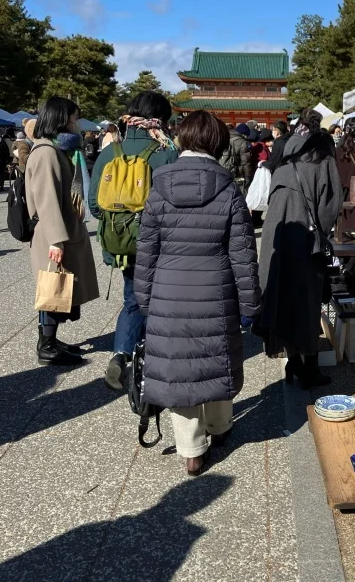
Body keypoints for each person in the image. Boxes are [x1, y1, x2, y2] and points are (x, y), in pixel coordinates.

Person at [134, 110, 261, 475]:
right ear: (219, 144)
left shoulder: (159, 187)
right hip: (215, 289)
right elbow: (242, 255)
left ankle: (191, 450)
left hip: (168, 291)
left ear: (181, 140)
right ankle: (220, 427)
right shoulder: (229, 190)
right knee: (216, 359)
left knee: (180, 369)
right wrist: (251, 302)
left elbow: (147, 251)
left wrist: (145, 299)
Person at [89, 91, 178, 391]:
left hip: (123, 243)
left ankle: (121, 354)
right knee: (159, 300)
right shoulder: (166, 152)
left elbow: (93, 205)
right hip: (160, 243)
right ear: (160, 120)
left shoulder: (108, 153)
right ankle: (154, 360)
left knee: (132, 298)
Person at [258, 109, 343, 389]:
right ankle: (309, 368)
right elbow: (330, 206)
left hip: (278, 232)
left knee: (283, 297)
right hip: (306, 238)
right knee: (308, 303)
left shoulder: (285, 157)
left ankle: (292, 359)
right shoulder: (322, 156)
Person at [26, 97, 100, 364]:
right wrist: (57, 240)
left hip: (57, 232)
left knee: (57, 287)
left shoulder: (53, 149)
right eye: (74, 118)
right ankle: (46, 345)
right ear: (62, 119)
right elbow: (46, 199)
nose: (77, 123)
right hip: (52, 234)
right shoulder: (46, 152)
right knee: (52, 286)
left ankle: (51, 340)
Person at [220, 123, 253, 191]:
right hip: (236, 175)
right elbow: (246, 162)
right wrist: (248, 178)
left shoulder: (221, 138)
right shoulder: (242, 142)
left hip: (220, 172)